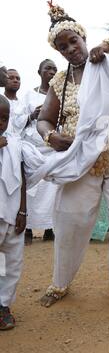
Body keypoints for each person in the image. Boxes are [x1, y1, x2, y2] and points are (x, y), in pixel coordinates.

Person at [31, 2, 109, 311]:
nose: (71, 49)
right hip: (80, 160)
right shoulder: (60, 82)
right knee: (70, 222)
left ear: (83, 38)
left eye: (74, 41)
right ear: (59, 52)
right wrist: (50, 135)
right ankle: (60, 283)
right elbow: (44, 119)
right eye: (63, 47)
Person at [22, 60, 58, 244]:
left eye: (54, 69)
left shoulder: (60, 94)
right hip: (34, 149)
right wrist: (33, 116)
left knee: (52, 189)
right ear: (39, 72)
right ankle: (28, 227)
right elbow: (18, 119)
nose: (51, 72)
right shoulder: (29, 95)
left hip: (52, 149)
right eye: (48, 69)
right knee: (31, 189)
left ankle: (50, 228)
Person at [0, 95, 27, 330]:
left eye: (5, 118)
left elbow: (23, 175)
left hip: (11, 213)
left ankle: (3, 305)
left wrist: (23, 211)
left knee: (10, 263)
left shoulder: (14, 143)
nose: (1, 122)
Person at [4, 69, 28, 137]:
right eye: (11, 78)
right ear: (3, 80)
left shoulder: (24, 105)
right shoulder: (1, 101)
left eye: (18, 79)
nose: (15, 80)